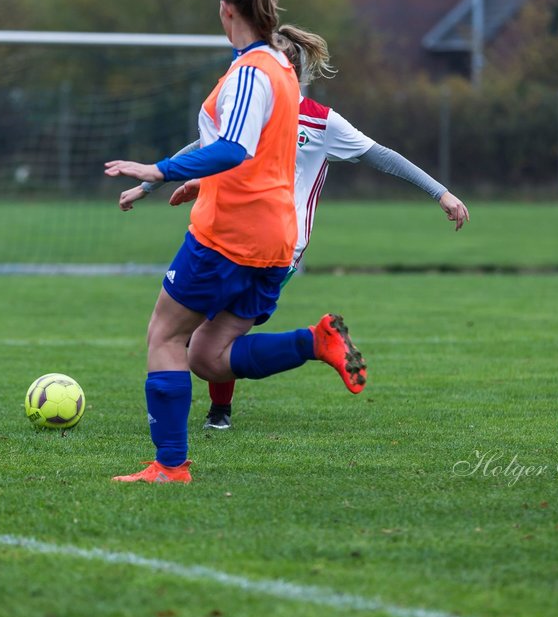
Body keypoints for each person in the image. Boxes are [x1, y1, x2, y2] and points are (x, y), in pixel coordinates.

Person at [119, 30, 469, 430]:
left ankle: (205, 424)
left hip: (264, 244)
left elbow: (382, 156)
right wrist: (153, 185)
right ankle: (229, 405)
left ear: (287, 69)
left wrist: (439, 192)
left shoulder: (320, 120)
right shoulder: (257, 107)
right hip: (271, 244)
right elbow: (204, 148)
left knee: (195, 337)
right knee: (207, 338)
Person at [104, 0, 365, 484]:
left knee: (164, 336)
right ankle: (314, 342)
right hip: (275, 238)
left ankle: (170, 466)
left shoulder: (251, 71)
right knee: (209, 355)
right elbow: (262, 155)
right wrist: (200, 181)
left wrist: (157, 169)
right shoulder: (281, 69)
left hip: (229, 235)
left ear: (226, 9)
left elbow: (232, 148)